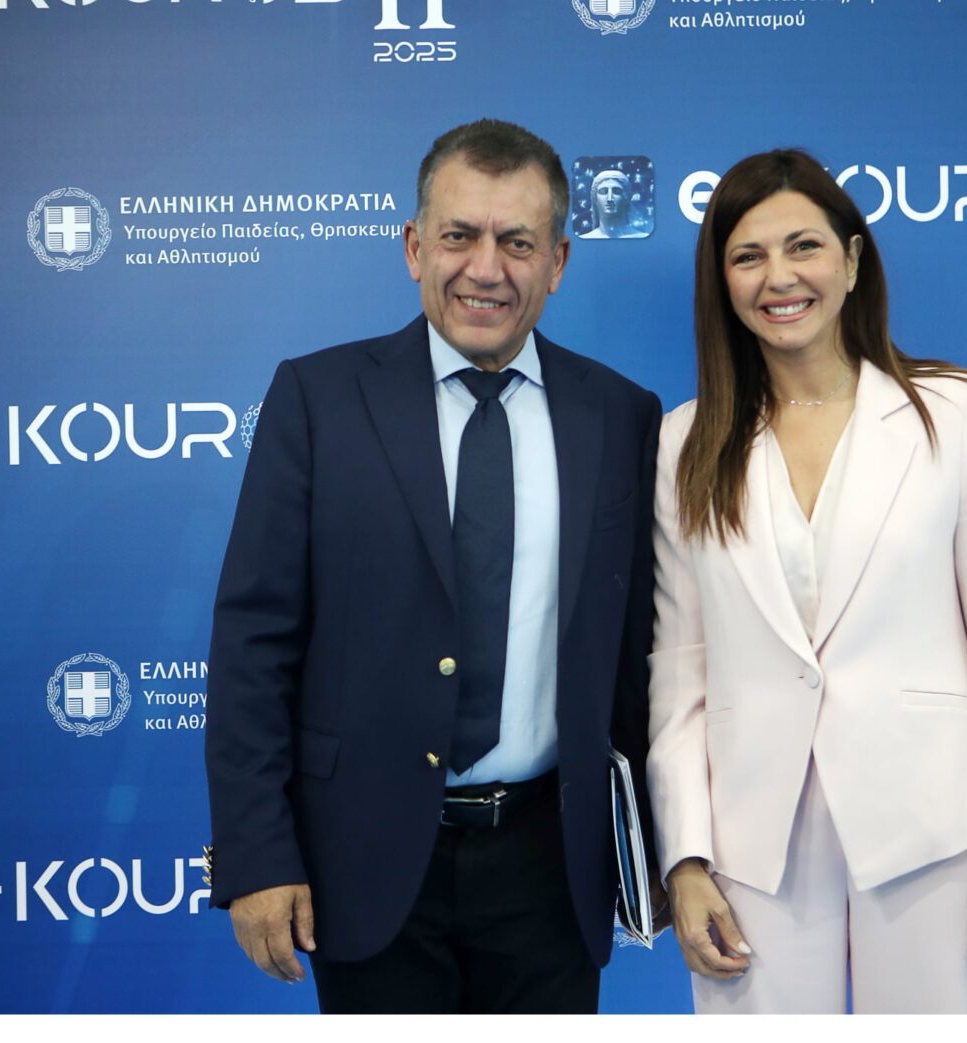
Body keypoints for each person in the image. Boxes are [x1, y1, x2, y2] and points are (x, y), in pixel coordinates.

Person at [204, 118, 661, 1014]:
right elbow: (254, 640)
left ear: (558, 261)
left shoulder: (620, 414)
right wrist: (255, 854)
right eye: (459, 236)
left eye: (517, 242)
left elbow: (642, 658)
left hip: (551, 868)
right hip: (363, 860)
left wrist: (672, 849)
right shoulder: (319, 398)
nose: (485, 269)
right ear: (415, 247)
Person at [647, 149, 967, 1013]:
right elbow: (679, 673)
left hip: (934, 832)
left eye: (803, 246)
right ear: (722, 281)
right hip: (751, 844)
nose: (779, 277)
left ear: (852, 258)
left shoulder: (955, 411)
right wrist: (684, 857)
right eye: (748, 255)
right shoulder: (687, 440)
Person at [579, 169, 646, 239]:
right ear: (595, 198)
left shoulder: (643, 238)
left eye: (616, 191)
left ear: (627, 197)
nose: (609, 198)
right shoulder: (584, 239)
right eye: (603, 192)